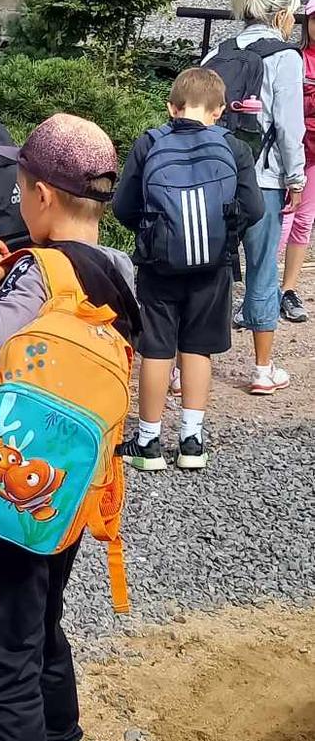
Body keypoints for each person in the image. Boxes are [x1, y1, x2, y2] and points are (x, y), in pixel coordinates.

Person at [0, 114, 139, 741]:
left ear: (39, 194)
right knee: (43, 618)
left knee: (5, 658)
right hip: (76, 489)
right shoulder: (118, 270)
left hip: (13, 494)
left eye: (18, 185)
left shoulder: (36, 272)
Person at [113, 67, 263, 472]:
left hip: (159, 266)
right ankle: (191, 441)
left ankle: (148, 443)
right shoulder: (234, 147)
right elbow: (254, 209)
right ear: (219, 110)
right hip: (213, 267)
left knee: (156, 348)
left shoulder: (149, 143)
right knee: (198, 347)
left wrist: (154, 233)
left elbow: (123, 206)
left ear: (172, 107)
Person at [204, 0, 305, 394]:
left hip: (214, 176)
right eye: (292, 15)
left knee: (210, 268)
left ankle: (182, 369)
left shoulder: (218, 52)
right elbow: (289, 126)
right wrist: (296, 177)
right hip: (262, 179)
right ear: (280, 15)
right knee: (263, 267)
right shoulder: (285, 58)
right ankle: (262, 369)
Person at [280, 0, 315, 323]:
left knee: (304, 221)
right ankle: (262, 289)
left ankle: (288, 289)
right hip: (290, 152)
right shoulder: (293, 58)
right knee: (282, 220)